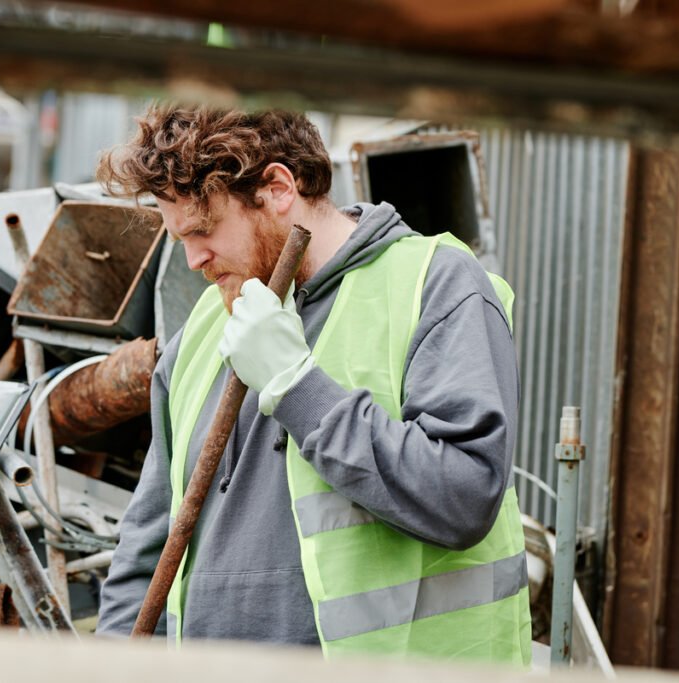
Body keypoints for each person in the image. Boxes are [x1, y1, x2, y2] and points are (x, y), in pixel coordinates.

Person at [94, 105, 531, 665]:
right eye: (179, 236)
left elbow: (463, 496)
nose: (193, 259)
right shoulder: (204, 327)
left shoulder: (436, 286)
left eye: (203, 230)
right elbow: (147, 545)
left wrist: (296, 385)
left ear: (277, 188)